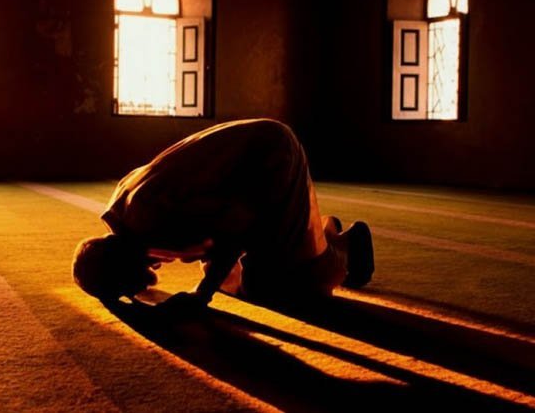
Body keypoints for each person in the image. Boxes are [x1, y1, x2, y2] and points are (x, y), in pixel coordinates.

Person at [72, 118, 373, 308]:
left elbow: (237, 228)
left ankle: (345, 246)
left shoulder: (153, 224)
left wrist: (201, 295)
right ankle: (314, 232)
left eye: (128, 286)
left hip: (272, 159)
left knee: (285, 288)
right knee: (233, 278)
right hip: (255, 159)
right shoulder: (122, 210)